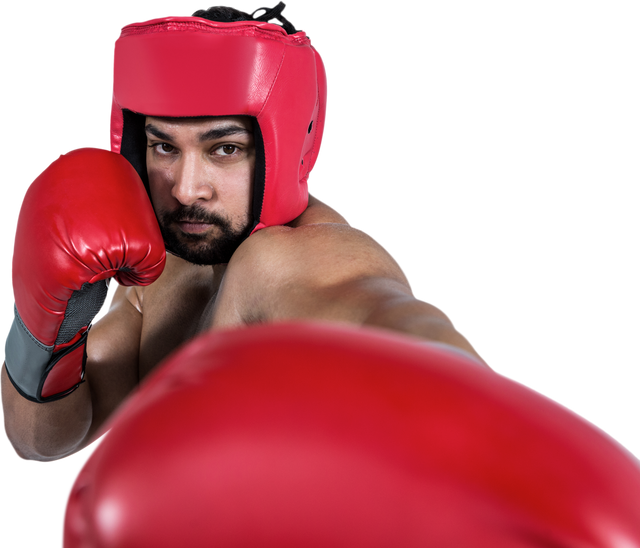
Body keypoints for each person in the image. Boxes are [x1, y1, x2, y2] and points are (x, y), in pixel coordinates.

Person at [1, 1, 489, 464]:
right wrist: (46, 334)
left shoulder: (292, 260)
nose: (187, 190)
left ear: (283, 150)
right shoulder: (162, 266)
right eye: (164, 148)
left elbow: (400, 328)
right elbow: (43, 441)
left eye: (225, 149)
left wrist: (496, 416)